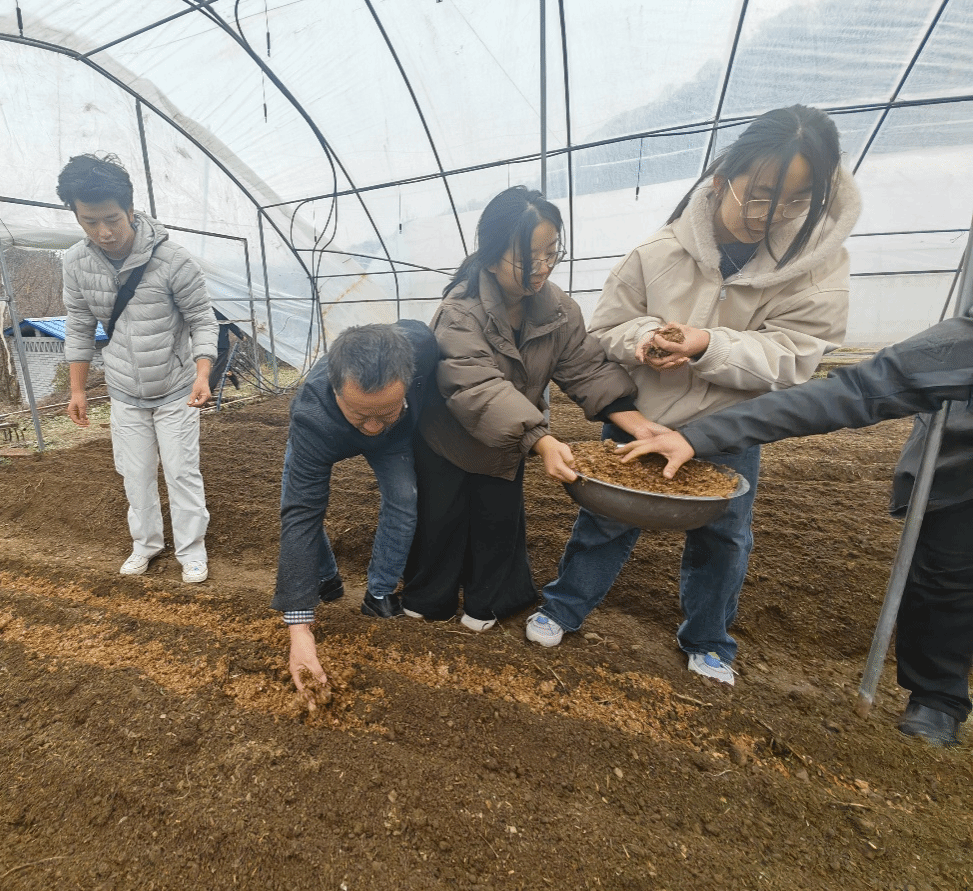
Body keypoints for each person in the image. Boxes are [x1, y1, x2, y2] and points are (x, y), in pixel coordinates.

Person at [526, 105, 862, 687]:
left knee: (723, 535)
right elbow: (604, 331)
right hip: (642, 419)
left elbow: (798, 354)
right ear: (723, 178)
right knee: (606, 518)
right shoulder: (658, 252)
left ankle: (708, 640)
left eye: (795, 201)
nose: (771, 215)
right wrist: (642, 338)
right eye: (760, 195)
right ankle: (563, 606)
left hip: (726, 429)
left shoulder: (815, 268)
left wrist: (709, 344)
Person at [616, 309, 973, 745]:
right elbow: (858, 389)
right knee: (947, 579)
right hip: (965, 479)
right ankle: (937, 697)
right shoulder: (963, 343)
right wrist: (696, 437)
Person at [401, 187, 663, 632]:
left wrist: (639, 425)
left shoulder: (558, 309)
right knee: (440, 523)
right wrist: (540, 439)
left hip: (507, 440)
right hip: (447, 440)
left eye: (551, 253)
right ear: (491, 258)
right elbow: (477, 387)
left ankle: (485, 606)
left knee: (497, 525)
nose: (542, 268)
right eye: (528, 258)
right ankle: (429, 601)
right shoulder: (459, 312)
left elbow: (585, 367)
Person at [57, 153, 218, 584]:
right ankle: (145, 544)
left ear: (130, 209)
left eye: (112, 219)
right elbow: (79, 325)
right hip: (124, 391)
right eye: (90, 221)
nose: (104, 232)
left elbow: (203, 320)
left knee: (181, 473)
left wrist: (203, 374)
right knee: (136, 476)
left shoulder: (173, 259)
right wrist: (78, 390)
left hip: (176, 387)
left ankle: (191, 550)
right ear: (76, 215)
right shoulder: (76, 262)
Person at [274, 321, 439, 695]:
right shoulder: (310, 414)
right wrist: (299, 629)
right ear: (336, 391)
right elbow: (302, 512)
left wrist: (389, 418)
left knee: (405, 499)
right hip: (326, 435)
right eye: (361, 414)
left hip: (396, 442)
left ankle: (379, 593)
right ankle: (325, 578)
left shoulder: (422, 347)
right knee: (297, 504)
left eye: (386, 411)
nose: (373, 427)